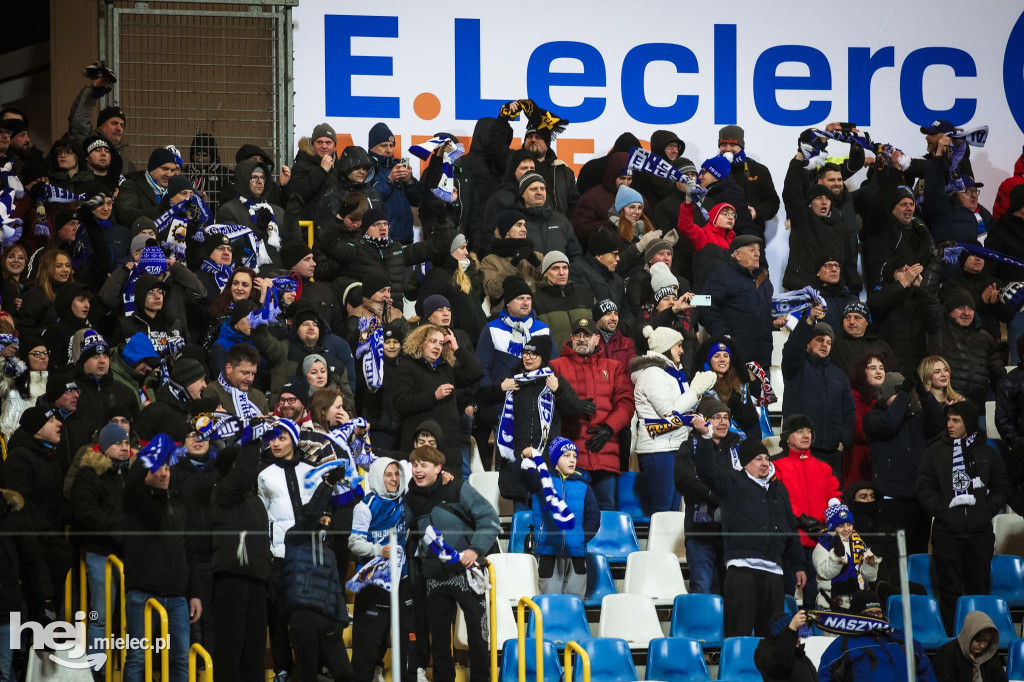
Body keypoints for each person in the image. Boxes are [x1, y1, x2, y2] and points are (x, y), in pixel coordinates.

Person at [692, 416, 805, 638]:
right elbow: (706, 470)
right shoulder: (732, 482)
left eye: (766, 458)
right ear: (745, 463)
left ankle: (765, 675)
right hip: (742, 570)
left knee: (772, 639)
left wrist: (799, 565)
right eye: (757, 459)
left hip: (774, 571)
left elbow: (790, 530)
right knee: (738, 634)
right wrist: (705, 438)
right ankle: (735, 673)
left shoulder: (779, 490)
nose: (764, 462)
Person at [405, 444, 500, 682]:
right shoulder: (410, 497)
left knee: (478, 637)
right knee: (438, 641)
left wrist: (475, 549)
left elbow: (489, 519)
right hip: (434, 576)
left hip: (466, 572)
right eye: (414, 465)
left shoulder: (457, 486)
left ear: (438, 468)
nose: (418, 470)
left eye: (424, 465)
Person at [916, 400, 1008, 630]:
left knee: (979, 591)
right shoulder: (935, 452)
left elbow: (1001, 486)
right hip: (946, 533)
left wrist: (986, 511)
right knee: (949, 593)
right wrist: (942, 511)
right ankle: (950, 643)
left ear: (967, 422)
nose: (950, 424)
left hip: (980, 534)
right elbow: (923, 488)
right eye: (948, 419)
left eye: (955, 420)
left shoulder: (987, 452)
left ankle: (981, 640)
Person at [121, 436, 201, 682]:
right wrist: (154, 449)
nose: (164, 473)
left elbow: (188, 551)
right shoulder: (136, 502)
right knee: (137, 657)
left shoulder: (178, 506)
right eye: (157, 468)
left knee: (181, 661)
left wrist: (194, 593)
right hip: (142, 595)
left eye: (167, 467)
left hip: (177, 597)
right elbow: (134, 478)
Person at [550, 318, 635, 510]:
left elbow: (626, 402)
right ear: (571, 338)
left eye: (587, 335)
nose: (582, 339)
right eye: (577, 335)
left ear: (597, 339)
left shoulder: (613, 367)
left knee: (606, 510)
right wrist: (572, 404)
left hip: (605, 452)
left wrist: (608, 428)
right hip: (571, 455)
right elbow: (548, 405)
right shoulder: (556, 366)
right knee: (572, 510)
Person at [631, 325, 717, 514]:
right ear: (665, 347)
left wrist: (698, 396)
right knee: (663, 508)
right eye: (678, 345)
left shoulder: (673, 373)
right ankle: (657, 545)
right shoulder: (653, 374)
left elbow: (685, 408)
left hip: (674, 446)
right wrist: (695, 391)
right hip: (658, 448)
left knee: (673, 508)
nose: (682, 350)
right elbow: (670, 412)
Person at [348, 457, 416, 682]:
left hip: (402, 580)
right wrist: (379, 550)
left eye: (397, 474)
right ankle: (369, 672)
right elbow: (354, 543)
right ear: (377, 476)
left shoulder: (405, 503)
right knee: (368, 640)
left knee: (407, 638)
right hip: (373, 581)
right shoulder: (365, 506)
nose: (394, 479)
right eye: (388, 475)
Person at [69, 422, 131, 663]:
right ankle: (97, 667)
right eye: (117, 443)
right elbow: (84, 512)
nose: (124, 448)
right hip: (102, 554)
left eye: (126, 442)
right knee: (101, 616)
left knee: (132, 616)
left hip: (131, 555)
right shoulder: (89, 474)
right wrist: (116, 529)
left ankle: (129, 668)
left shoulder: (134, 473)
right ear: (104, 447)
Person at [3, 407, 72, 619]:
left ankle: (43, 647)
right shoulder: (20, 459)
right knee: (39, 610)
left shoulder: (49, 458)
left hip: (50, 548)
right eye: (51, 420)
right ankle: (29, 649)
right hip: (34, 552)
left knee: (48, 613)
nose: (59, 423)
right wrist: (49, 537)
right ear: (36, 430)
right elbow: (21, 506)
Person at [674, 396, 742, 595]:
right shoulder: (689, 447)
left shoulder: (738, 446)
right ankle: (702, 627)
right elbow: (684, 481)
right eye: (716, 417)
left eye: (726, 417)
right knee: (702, 589)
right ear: (704, 421)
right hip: (700, 533)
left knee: (733, 591)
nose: (723, 422)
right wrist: (718, 497)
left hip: (732, 532)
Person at [393, 324, 483, 473]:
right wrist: (433, 396)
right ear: (421, 342)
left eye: (441, 343)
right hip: (422, 447)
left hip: (449, 447)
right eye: (432, 341)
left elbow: (476, 373)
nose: (437, 347)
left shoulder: (446, 367)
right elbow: (401, 402)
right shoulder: (407, 366)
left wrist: (457, 348)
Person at [923, 257, 1005, 420]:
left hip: (976, 412)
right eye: (960, 308)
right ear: (950, 310)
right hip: (945, 409)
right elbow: (927, 293)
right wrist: (936, 261)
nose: (966, 313)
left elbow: (998, 374)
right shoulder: (939, 329)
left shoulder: (985, 338)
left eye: (970, 308)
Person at [772, 415, 840, 606]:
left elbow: (834, 497)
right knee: (784, 597)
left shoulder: (824, 467)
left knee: (815, 596)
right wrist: (801, 519)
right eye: (799, 431)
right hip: (789, 542)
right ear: (787, 437)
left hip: (818, 542)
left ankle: (811, 633)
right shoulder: (775, 465)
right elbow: (777, 498)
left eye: (809, 431)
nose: (806, 435)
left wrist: (828, 524)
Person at [521, 437, 600, 598]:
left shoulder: (583, 485)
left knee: (575, 603)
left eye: (574, 456)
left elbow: (594, 517)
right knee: (549, 603)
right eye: (566, 456)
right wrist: (527, 457)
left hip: (576, 554)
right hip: (548, 553)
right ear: (555, 459)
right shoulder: (542, 481)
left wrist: (580, 538)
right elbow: (526, 475)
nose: (572, 460)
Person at [781, 307, 855, 477]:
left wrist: (844, 441)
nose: (825, 345)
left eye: (829, 342)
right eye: (820, 340)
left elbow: (849, 412)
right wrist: (807, 321)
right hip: (799, 449)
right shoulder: (796, 367)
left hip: (831, 452)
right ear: (808, 343)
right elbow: (792, 348)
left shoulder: (840, 376)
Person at [816, 589, 937, 682]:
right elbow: (825, 676)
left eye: (877, 612)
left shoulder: (904, 640)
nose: (874, 617)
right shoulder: (844, 645)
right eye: (868, 613)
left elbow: (927, 675)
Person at [702, 235, 779, 372]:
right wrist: (724, 336)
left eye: (758, 250)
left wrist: (775, 320)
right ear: (737, 255)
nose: (757, 254)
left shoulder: (764, 278)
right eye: (751, 250)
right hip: (736, 359)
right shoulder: (721, 275)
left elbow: (765, 311)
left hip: (763, 360)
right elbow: (705, 306)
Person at [693, 335, 769, 441]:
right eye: (716, 356)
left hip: (742, 442)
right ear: (709, 361)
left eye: (725, 355)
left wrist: (738, 409)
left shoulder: (739, 385)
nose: (722, 360)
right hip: (713, 442)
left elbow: (752, 424)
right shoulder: (702, 385)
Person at [867, 257, 931, 377]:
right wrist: (904, 283)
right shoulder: (882, 289)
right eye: (902, 271)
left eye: (911, 271)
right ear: (892, 275)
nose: (908, 274)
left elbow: (937, 315)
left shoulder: (919, 295)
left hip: (918, 364)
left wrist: (924, 287)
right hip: (890, 364)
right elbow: (873, 304)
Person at [811, 499, 880, 610]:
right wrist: (837, 558)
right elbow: (825, 573)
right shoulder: (823, 546)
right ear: (832, 527)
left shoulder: (859, 544)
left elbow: (869, 578)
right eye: (841, 526)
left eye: (849, 524)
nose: (846, 529)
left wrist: (870, 565)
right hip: (830, 603)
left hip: (856, 602)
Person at [717, 125, 779, 237]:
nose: (727, 148)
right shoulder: (711, 170)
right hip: (719, 238)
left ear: (741, 146)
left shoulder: (758, 170)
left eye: (732, 144)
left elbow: (773, 203)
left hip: (751, 237)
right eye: (723, 144)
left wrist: (757, 213)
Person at [367, 122, 421, 244]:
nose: (389, 150)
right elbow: (370, 200)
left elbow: (417, 201)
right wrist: (389, 181)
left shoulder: (399, 165)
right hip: (380, 238)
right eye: (384, 145)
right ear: (372, 146)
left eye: (391, 145)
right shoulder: (366, 168)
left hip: (406, 237)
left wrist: (409, 181)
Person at [532, 251, 595, 349]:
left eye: (565, 268)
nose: (561, 273)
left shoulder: (585, 296)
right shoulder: (535, 301)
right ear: (545, 273)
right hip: (555, 361)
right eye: (555, 268)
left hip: (586, 359)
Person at [515, 171, 583, 262]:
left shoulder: (561, 220)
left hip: (560, 275)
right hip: (527, 275)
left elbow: (576, 255)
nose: (539, 192)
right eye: (534, 189)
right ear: (522, 193)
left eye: (542, 189)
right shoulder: (514, 221)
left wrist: (570, 275)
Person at [114, 146, 181, 226]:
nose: (169, 174)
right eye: (164, 169)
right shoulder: (131, 186)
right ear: (152, 168)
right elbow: (127, 217)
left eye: (172, 170)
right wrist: (160, 211)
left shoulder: (175, 191)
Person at [933, 611, 1007, 682]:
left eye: (986, 641)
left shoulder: (990, 653)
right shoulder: (946, 653)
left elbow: (1001, 679)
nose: (982, 646)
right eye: (979, 640)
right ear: (968, 636)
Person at [830, 301, 897, 379]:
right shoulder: (833, 341)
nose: (851, 322)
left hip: (875, 390)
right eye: (847, 317)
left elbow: (893, 374)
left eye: (857, 317)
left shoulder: (880, 346)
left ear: (867, 322)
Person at [286, 122, 339, 221]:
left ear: (334, 145)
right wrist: (321, 170)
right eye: (319, 142)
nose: (324, 146)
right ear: (312, 144)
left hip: (332, 229)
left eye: (328, 142)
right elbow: (297, 194)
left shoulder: (339, 166)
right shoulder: (301, 165)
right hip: (308, 230)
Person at [202, 343, 269, 416]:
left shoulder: (259, 397)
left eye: (253, 374)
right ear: (229, 368)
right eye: (245, 373)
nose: (250, 379)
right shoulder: (211, 392)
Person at [753, 610, 820, 682]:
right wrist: (792, 629)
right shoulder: (765, 653)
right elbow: (778, 665)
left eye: (799, 634)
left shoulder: (801, 656)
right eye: (796, 634)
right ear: (782, 634)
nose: (799, 639)